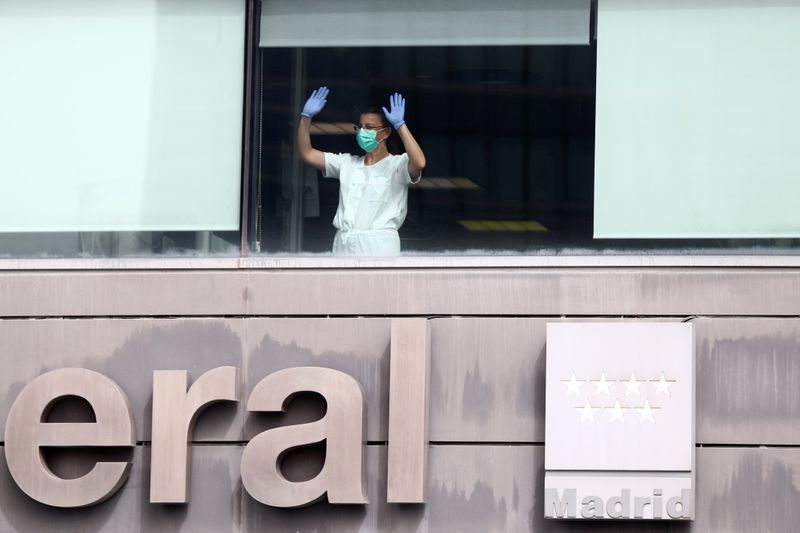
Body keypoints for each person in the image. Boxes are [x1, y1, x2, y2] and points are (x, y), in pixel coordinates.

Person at [296, 86, 426, 256]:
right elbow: (306, 153)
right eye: (360, 127)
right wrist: (306, 117)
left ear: (386, 132)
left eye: (369, 127)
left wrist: (400, 126)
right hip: (344, 243)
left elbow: (420, 162)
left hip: (380, 244)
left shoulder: (398, 164)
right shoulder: (347, 163)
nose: (363, 131)